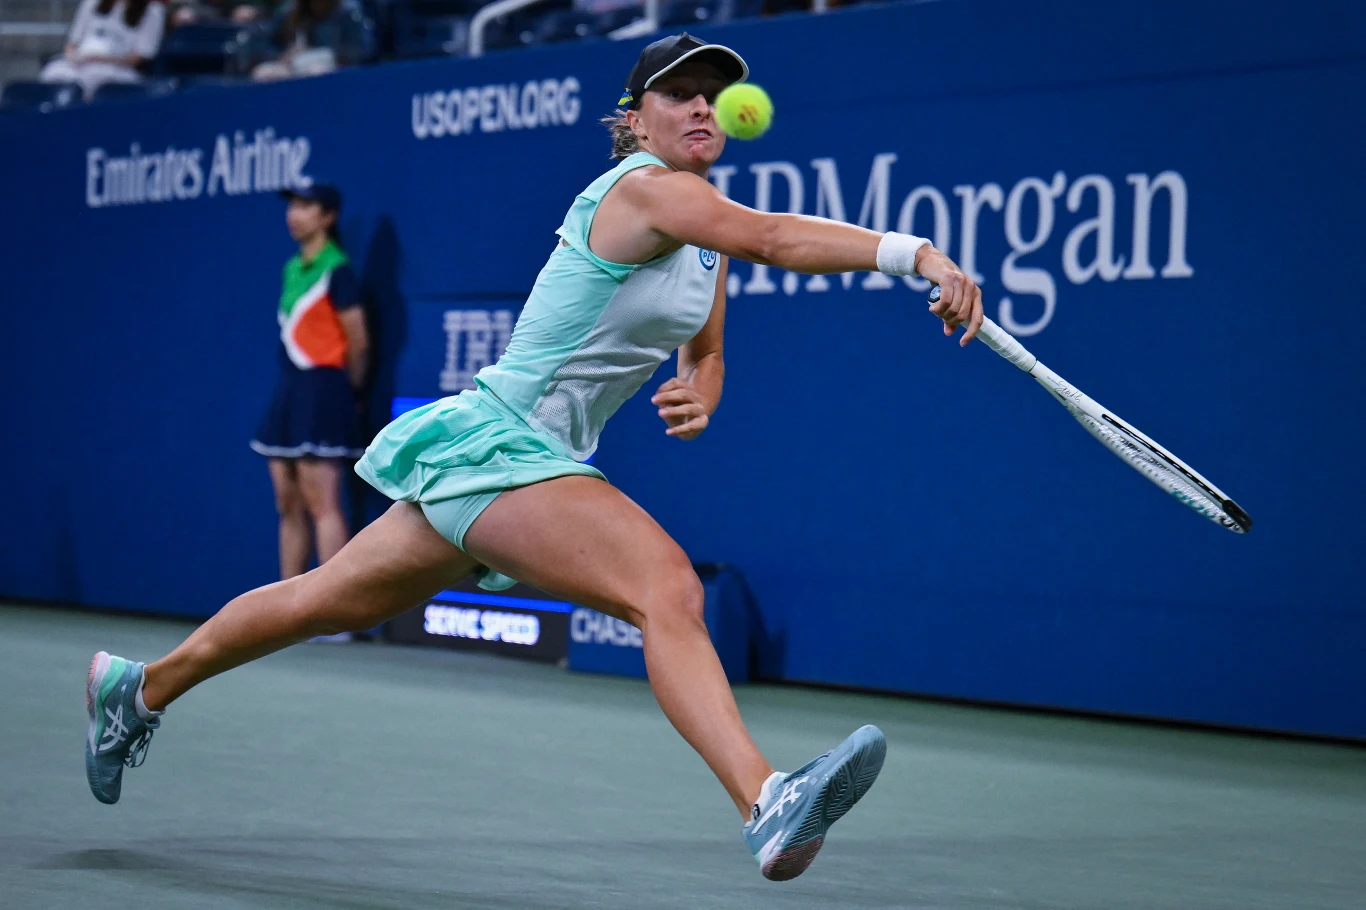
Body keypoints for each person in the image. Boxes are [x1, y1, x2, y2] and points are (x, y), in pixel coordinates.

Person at [84, 33, 984, 881]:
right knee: (665, 587)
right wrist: (918, 255)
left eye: (713, 96)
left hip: (512, 460)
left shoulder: (702, 231)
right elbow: (776, 239)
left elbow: (704, 353)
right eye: (679, 95)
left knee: (315, 601)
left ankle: (138, 690)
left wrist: (699, 395)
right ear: (635, 119)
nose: (703, 109)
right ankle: (766, 799)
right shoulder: (640, 189)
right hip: (506, 441)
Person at [249, 183, 369, 587]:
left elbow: (359, 341)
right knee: (287, 501)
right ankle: (283, 612)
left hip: (324, 391)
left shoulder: (338, 270)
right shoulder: (290, 268)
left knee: (324, 503)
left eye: (305, 206)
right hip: (289, 391)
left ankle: (332, 610)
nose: (293, 214)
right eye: (292, 206)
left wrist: (347, 392)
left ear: (328, 217)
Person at [39, 0, 166, 100]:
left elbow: (138, 57)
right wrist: (74, 57)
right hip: (81, 62)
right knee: (53, 73)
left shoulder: (152, 12)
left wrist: (99, 59)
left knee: (92, 79)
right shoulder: (92, 3)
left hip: (117, 68)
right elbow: (72, 43)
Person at [251, 0, 371, 81]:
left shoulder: (347, 11)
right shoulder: (289, 11)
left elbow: (362, 49)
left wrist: (322, 54)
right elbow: (265, 45)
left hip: (331, 65)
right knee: (262, 72)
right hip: (292, 64)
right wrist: (282, 55)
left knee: (315, 71)